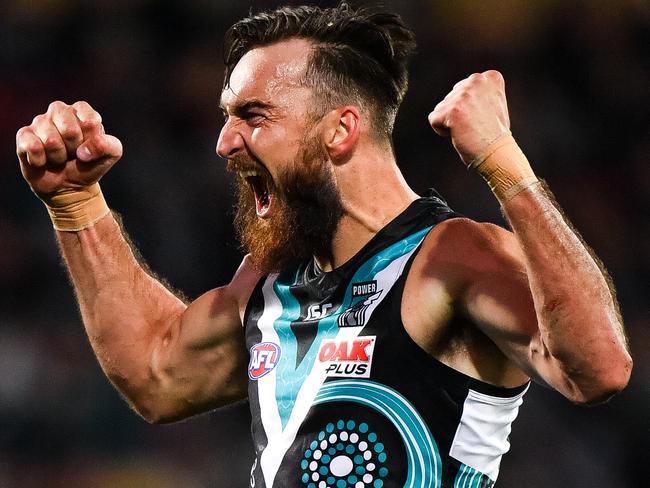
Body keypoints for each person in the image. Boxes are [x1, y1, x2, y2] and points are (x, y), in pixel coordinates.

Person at [16, 4, 632, 488]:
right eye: (227, 117)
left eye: (253, 116)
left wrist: (504, 164)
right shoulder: (269, 280)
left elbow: (597, 369)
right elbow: (155, 374)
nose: (224, 144)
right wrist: (77, 205)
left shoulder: (451, 257)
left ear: (340, 129)